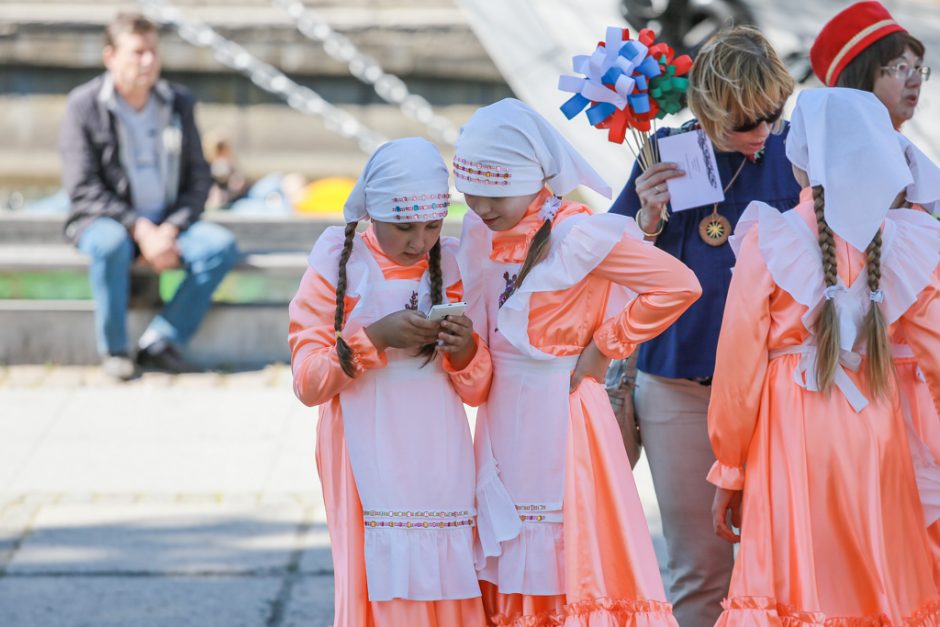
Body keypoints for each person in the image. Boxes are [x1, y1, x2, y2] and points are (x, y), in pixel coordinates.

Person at [456, 98, 701, 625]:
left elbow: (678, 285)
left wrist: (603, 347)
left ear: (533, 178)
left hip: (563, 410)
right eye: (472, 195)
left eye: (495, 192)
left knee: (571, 549)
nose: (482, 207)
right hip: (501, 418)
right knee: (507, 544)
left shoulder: (576, 233)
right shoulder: (480, 234)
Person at [708, 87, 940, 624]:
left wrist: (729, 468)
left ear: (800, 160)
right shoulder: (908, 242)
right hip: (876, 427)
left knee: (799, 579)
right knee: (876, 576)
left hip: (791, 428)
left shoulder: (772, 237)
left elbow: (738, 369)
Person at [606, 26, 800, 626]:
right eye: (745, 122)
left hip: (776, 389)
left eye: (771, 114)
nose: (761, 131)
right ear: (709, 110)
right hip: (680, 386)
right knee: (700, 570)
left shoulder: (800, 154)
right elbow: (603, 262)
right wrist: (645, 217)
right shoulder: (665, 152)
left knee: (785, 566)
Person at [288, 138, 491, 626]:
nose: (420, 242)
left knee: (448, 573)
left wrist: (463, 349)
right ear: (373, 212)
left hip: (440, 454)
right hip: (360, 454)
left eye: (432, 225)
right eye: (404, 226)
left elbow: (477, 391)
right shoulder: (338, 263)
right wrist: (373, 338)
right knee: (374, 580)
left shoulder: (457, 263)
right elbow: (309, 383)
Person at [812, 1, 940, 586]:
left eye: (920, 67)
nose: (914, 80)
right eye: (898, 67)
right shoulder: (811, 168)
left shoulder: (924, 171)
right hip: (847, 386)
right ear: (860, 74)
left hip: (919, 378)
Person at [59, 13, 238, 379]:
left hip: (169, 223)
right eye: (138, 52)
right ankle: (116, 350)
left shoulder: (178, 102)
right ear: (110, 56)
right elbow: (82, 188)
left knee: (219, 246)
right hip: (109, 223)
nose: (148, 61)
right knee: (109, 246)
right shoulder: (84, 106)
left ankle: (160, 340)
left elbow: (199, 180)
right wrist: (140, 229)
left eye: (153, 51)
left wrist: (169, 229)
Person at [811, 1, 929, 131]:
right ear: (861, 79)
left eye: (917, 68)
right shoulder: (846, 148)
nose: (917, 81)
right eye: (901, 67)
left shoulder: (891, 145)